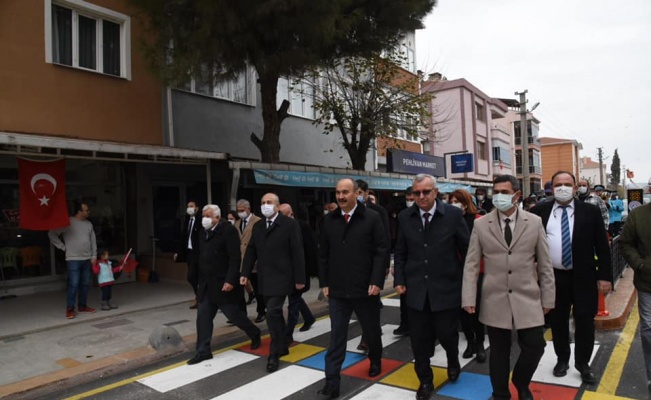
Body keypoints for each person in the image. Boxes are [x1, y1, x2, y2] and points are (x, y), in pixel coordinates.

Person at [463, 174, 555, 400]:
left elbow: (545, 263)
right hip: (494, 298)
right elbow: (472, 264)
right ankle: (500, 393)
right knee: (499, 351)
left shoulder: (534, 222)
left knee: (535, 345)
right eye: (496, 192)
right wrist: (468, 298)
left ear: (516, 196)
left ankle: (521, 381)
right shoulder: (481, 224)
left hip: (528, 296)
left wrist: (548, 298)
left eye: (504, 192)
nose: (499, 197)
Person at [531, 171, 612, 384]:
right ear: (552, 188)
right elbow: (530, 244)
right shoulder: (540, 211)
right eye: (558, 184)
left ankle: (583, 363)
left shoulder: (591, 211)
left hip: (584, 276)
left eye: (567, 184)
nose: (563, 188)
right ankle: (562, 359)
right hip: (554, 277)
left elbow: (602, 247)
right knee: (557, 321)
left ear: (576, 188)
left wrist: (605, 276)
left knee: (585, 320)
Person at [394, 174, 470, 400]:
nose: (421, 197)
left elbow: (467, 251)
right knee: (419, 341)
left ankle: (453, 360)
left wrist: (466, 282)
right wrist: (399, 279)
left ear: (435, 192)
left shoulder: (454, 215)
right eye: (416, 193)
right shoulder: (405, 217)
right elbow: (400, 251)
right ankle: (425, 380)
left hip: (446, 288)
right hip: (416, 290)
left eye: (426, 192)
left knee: (447, 334)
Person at [317, 178, 389, 399]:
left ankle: (375, 358)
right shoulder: (329, 220)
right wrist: (324, 283)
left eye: (345, 192)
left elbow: (381, 251)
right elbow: (323, 253)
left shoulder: (372, 218)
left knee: (372, 332)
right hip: (338, 290)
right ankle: (332, 382)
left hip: (365, 289)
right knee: (336, 337)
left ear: (356, 193)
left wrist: (377, 281)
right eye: (337, 192)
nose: (340, 196)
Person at [188, 204, 261, 365]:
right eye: (203, 216)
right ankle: (203, 350)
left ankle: (254, 333)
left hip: (223, 282)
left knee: (233, 315)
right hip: (207, 283)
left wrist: (230, 280)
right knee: (203, 317)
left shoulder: (228, 231)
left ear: (216, 217)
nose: (205, 219)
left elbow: (235, 258)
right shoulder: (203, 233)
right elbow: (202, 257)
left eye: (208, 216)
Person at [241, 193, 306, 373]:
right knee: (274, 314)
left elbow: (297, 252)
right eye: (262, 203)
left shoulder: (289, 224)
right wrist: (244, 273)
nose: (265, 205)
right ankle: (283, 343)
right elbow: (251, 251)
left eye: (269, 202)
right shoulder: (259, 226)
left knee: (273, 312)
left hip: (283, 277)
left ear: (277, 206)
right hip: (265, 277)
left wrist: (301, 278)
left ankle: (274, 353)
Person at [449, 189, 486, 363]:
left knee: (475, 309)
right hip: (455, 271)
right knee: (462, 311)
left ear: (466, 203)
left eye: (458, 201)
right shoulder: (448, 221)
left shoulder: (479, 220)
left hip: (476, 271)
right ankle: (470, 342)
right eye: (451, 201)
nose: (454, 204)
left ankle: (479, 344)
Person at [618, 202, 651, 392]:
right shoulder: (638, 215)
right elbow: (625, 243)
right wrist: (640, 265)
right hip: (647, 282)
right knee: (649, 329)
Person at [49, 202, 98, 319]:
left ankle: (82, 306)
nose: (88, 212)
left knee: (85, 284)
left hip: (87, 258)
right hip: (73, 259)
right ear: (79, 212)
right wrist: (63, 247)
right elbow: (52, 233)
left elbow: (93, 241)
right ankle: (70, 308)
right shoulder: (67, 222)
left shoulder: (88, 224)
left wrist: (94, 255)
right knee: (74, 284)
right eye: (86, 210)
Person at [279, 203, 317, 344]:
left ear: (291, 213)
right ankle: (308, 318)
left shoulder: (301, 226)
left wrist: (311, 272)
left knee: (293, 303)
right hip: (284, 273)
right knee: (295, 299)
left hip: (299, 271)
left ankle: (288, 334)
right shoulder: (278, 227)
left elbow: (310, 249)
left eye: (283, 214)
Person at [392, 187, 415, 336]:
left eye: (412, 199)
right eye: (408, 199)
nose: (410, 202)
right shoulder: (403, 216)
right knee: (404, 296)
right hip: (407, 263)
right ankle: (404, 323)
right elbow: (399, 245)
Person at [235, 199, 264, 313]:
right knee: (239, 290)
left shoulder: (258, 221)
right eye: (238, 210)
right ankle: (241, 314)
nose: (240, 212)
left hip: (254, 260)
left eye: (242, 210)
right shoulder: (237, 223)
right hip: (241, 260)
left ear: (248, 209)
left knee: (257, 288)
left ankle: (261, 311)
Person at [173, 201, 201, 309]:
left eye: (191, 206)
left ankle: (201, 298)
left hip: (197, 253)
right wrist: (178, 252)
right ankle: (199, 297)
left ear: (196, 208)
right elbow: (183, 237)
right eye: (188, 206)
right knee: (191, 277)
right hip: (189, 252)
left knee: (194, 276)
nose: (189, 208)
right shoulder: (187, 220)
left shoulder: (200, 221)